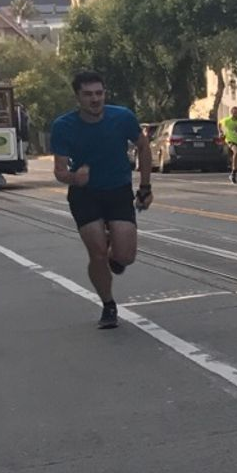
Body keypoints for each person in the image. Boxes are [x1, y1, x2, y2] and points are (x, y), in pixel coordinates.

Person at [49, 69, 152, 330]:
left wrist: (145, 187)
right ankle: (108, 305)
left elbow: (143, 146)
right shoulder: (63, 126)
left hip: (117, 190)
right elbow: (60, 171)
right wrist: (74, 178)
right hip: (85, 194)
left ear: (105, 93)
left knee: (125, 257)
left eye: (99, 93)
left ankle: (114, 252)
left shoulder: (122, 117)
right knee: (96, 253)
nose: (95, 99)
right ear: (77, 98)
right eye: (88, 95)